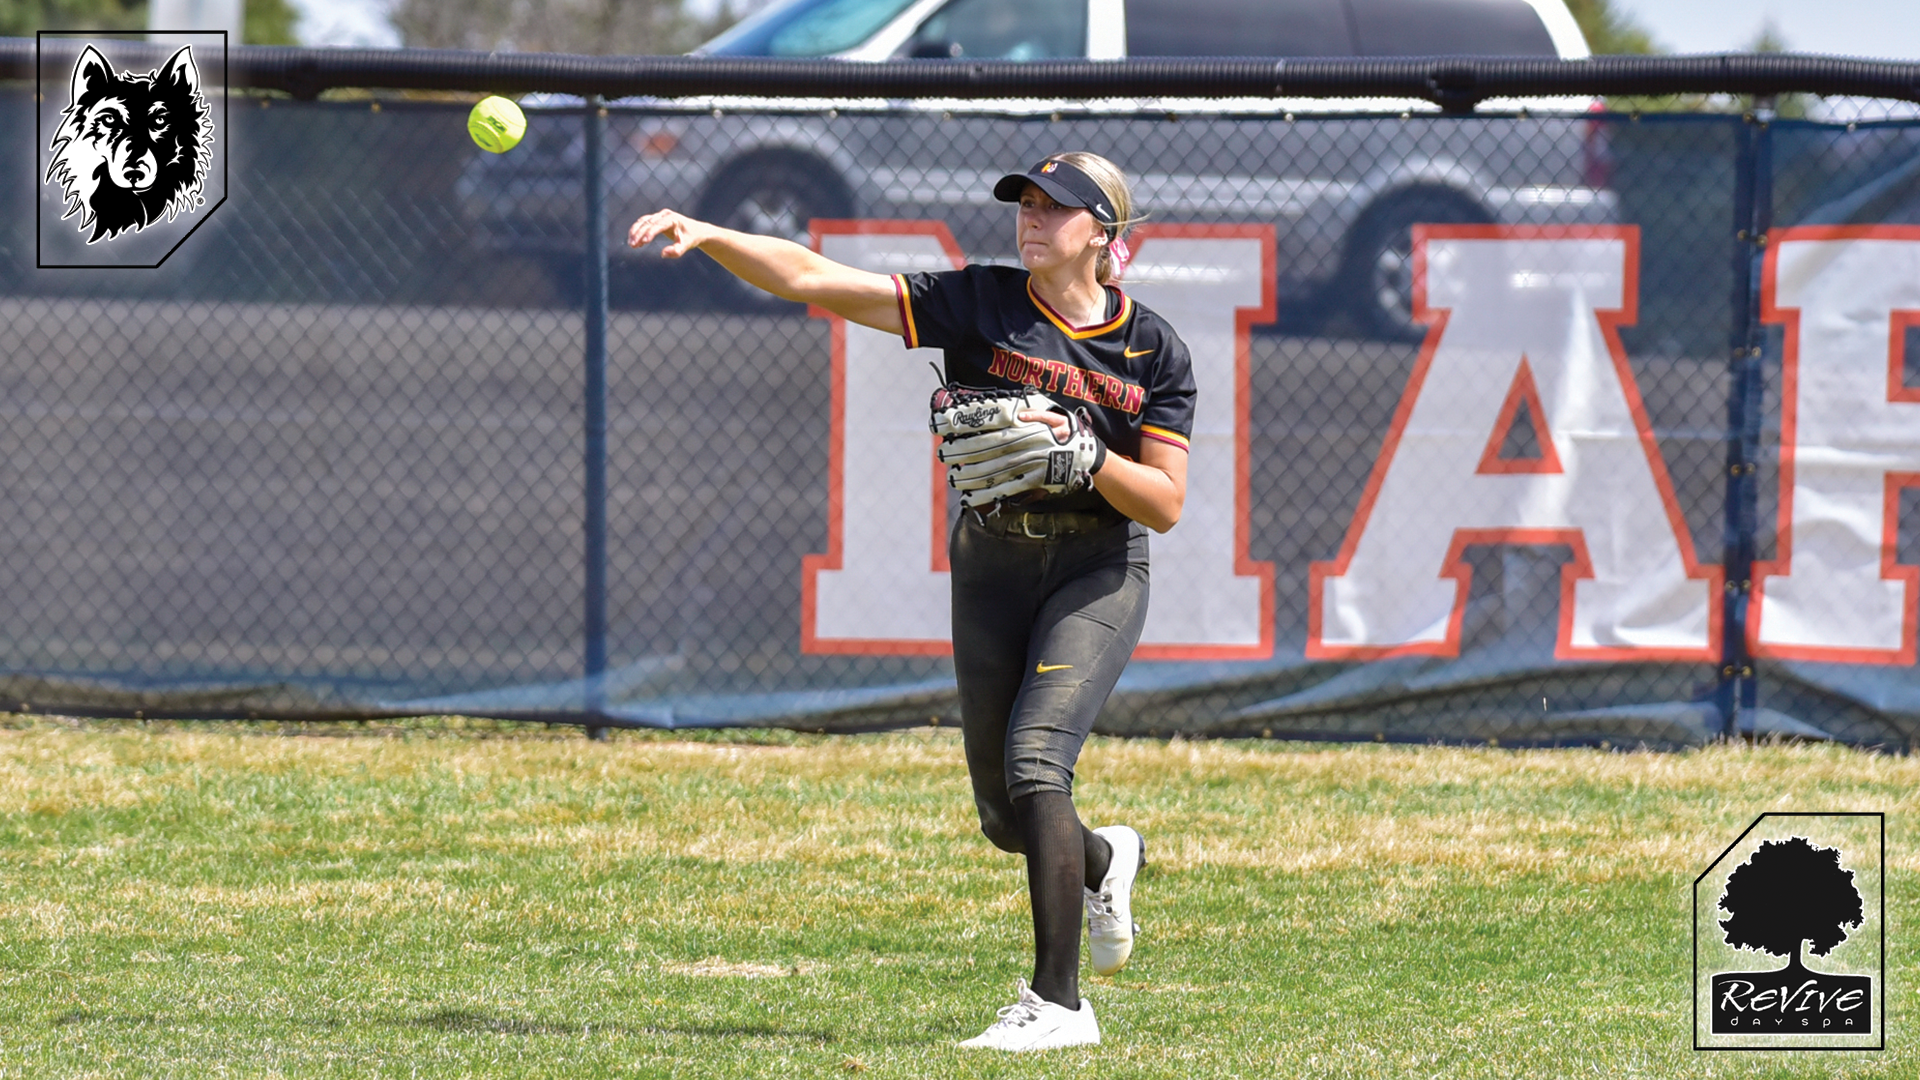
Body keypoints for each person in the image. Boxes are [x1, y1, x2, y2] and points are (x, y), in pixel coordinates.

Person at [628, 151, 1193, 1053]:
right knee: (1007, 816)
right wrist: (710, 235)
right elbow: (819, 279)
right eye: (1027, 203)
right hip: (993, 566)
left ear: (1104, 234)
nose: (1033, 218)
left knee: (1039, 763)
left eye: (1058, 208)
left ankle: (1058, 1006)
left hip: (1097, 569)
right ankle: (1100, 857)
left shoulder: (1152, 349)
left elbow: (1163, 504)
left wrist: (1087, 454)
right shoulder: (980, 302)